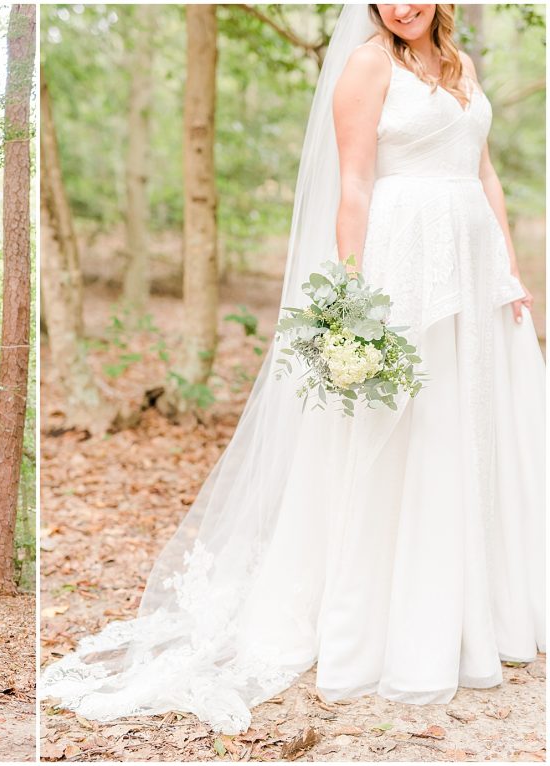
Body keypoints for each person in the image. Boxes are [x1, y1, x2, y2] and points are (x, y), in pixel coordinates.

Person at [40, 3, 545, 735]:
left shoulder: (463, 67)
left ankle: (480, 611)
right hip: (405, 264)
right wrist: (352, 297)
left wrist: (509, 265)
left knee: (472, 429)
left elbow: (485, 173)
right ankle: (397, 620)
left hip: (473, 271)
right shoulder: (370, 63)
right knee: (413, 429)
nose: (402, 5)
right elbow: (356, 187)